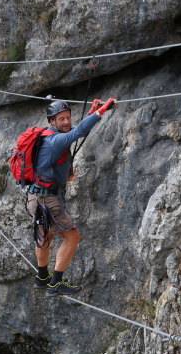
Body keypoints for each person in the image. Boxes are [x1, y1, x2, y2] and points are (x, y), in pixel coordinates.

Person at [28, 97, 117, 296]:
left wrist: (91, 114)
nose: (66, 122)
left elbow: (75, 131)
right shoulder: (54, 141)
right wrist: (101, 111)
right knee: (72, 237)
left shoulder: (48, 135)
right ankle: (55, 283)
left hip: (36, 197)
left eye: (68, 117)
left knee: (45, 235)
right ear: (52, 121)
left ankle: (42, 278)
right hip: (48, 200)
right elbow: (77, 132)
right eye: (61, 119)